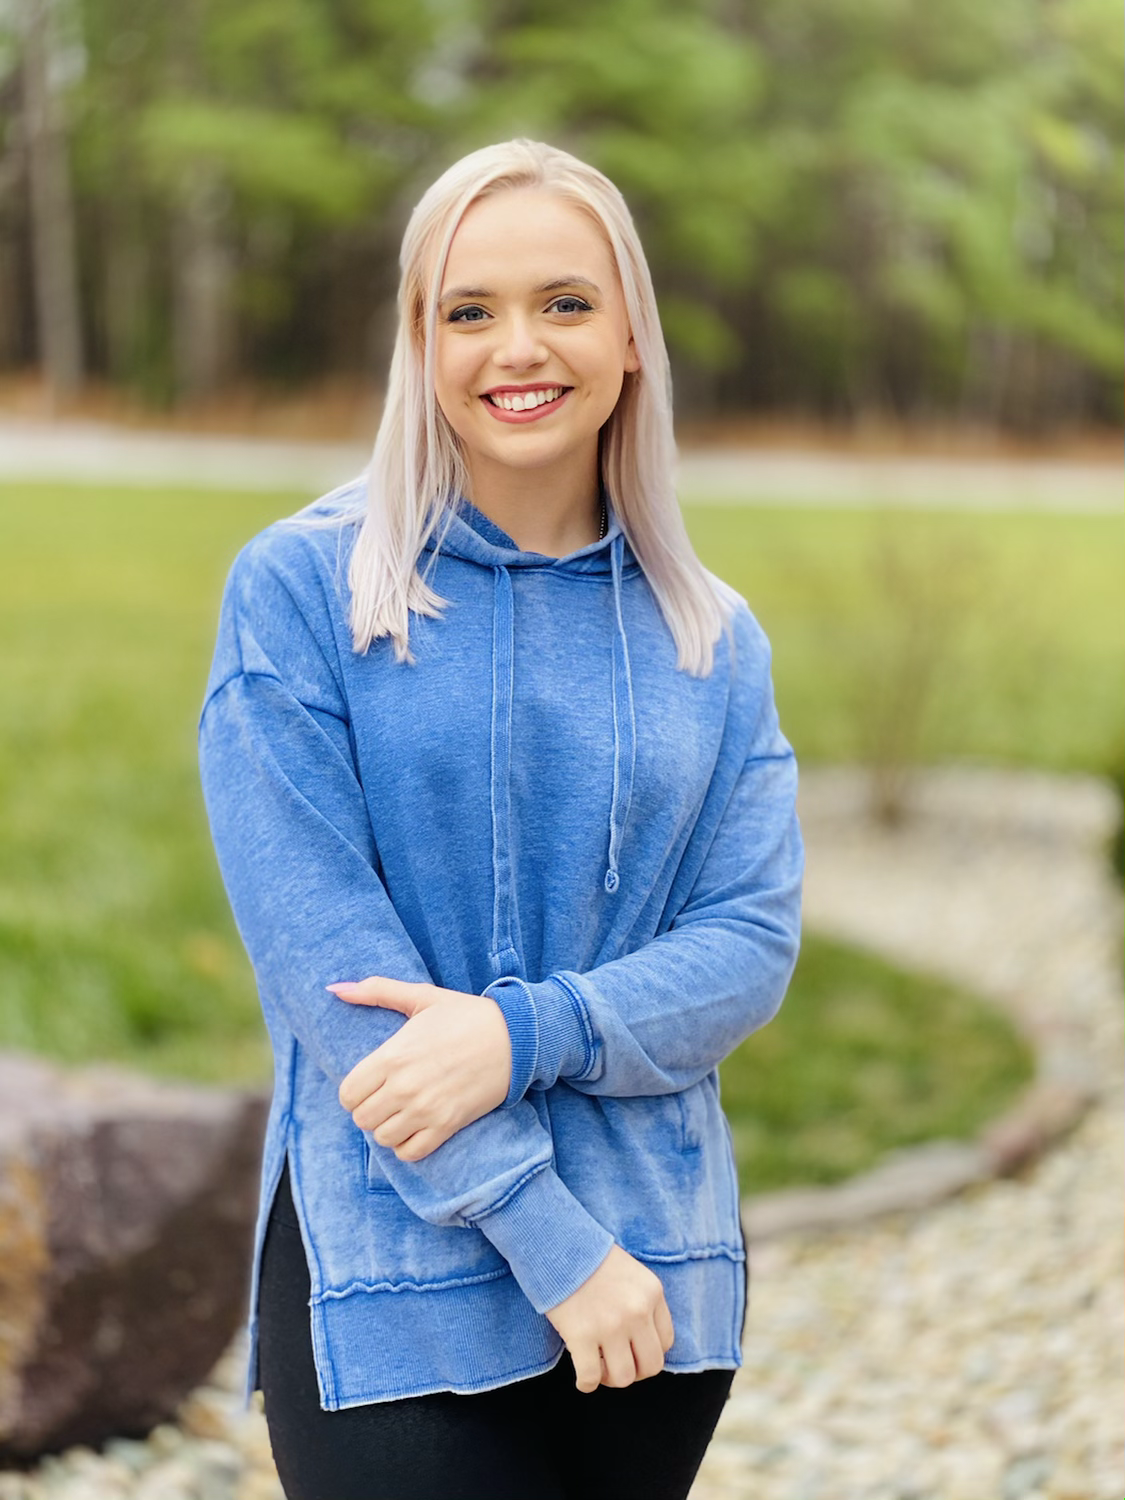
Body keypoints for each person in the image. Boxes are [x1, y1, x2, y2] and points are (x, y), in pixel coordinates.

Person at [199, 137, 803, 1500]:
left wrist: (523, 1031)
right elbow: (332, 972)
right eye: (469, 309)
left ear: (633, 334)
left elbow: (749, 942)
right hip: (400, 1267)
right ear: (420, 340)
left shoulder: (713, 636)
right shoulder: (305, 594)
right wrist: (551, 1243)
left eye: (565, 302)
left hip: (656, 1280)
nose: (516, 346)